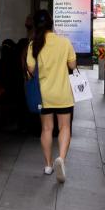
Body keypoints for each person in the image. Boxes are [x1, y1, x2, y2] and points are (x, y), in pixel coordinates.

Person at [26, 10, 77, 181]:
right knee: (64, 127)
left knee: (47, 128)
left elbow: (31, 70)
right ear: (51, 24)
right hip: (63, 94)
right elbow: (72, 64)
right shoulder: (64, 42)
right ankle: (61, 159)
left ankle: (48, 165)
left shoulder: (34, 45)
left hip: (44, 94)